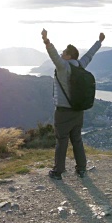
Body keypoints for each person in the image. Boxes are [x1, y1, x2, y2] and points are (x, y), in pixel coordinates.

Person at [41, 28, 105, 180]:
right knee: (77, 140)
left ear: (69, 56)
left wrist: (46, 40)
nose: (62, 55)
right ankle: (81, 169)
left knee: (62, 141)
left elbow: (53, 55)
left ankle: (58, 171)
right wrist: (99, 42)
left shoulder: (63, 67)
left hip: (63, 112)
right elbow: (90, 55)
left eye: (64, 53)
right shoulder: (80, 65)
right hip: (78, 111)